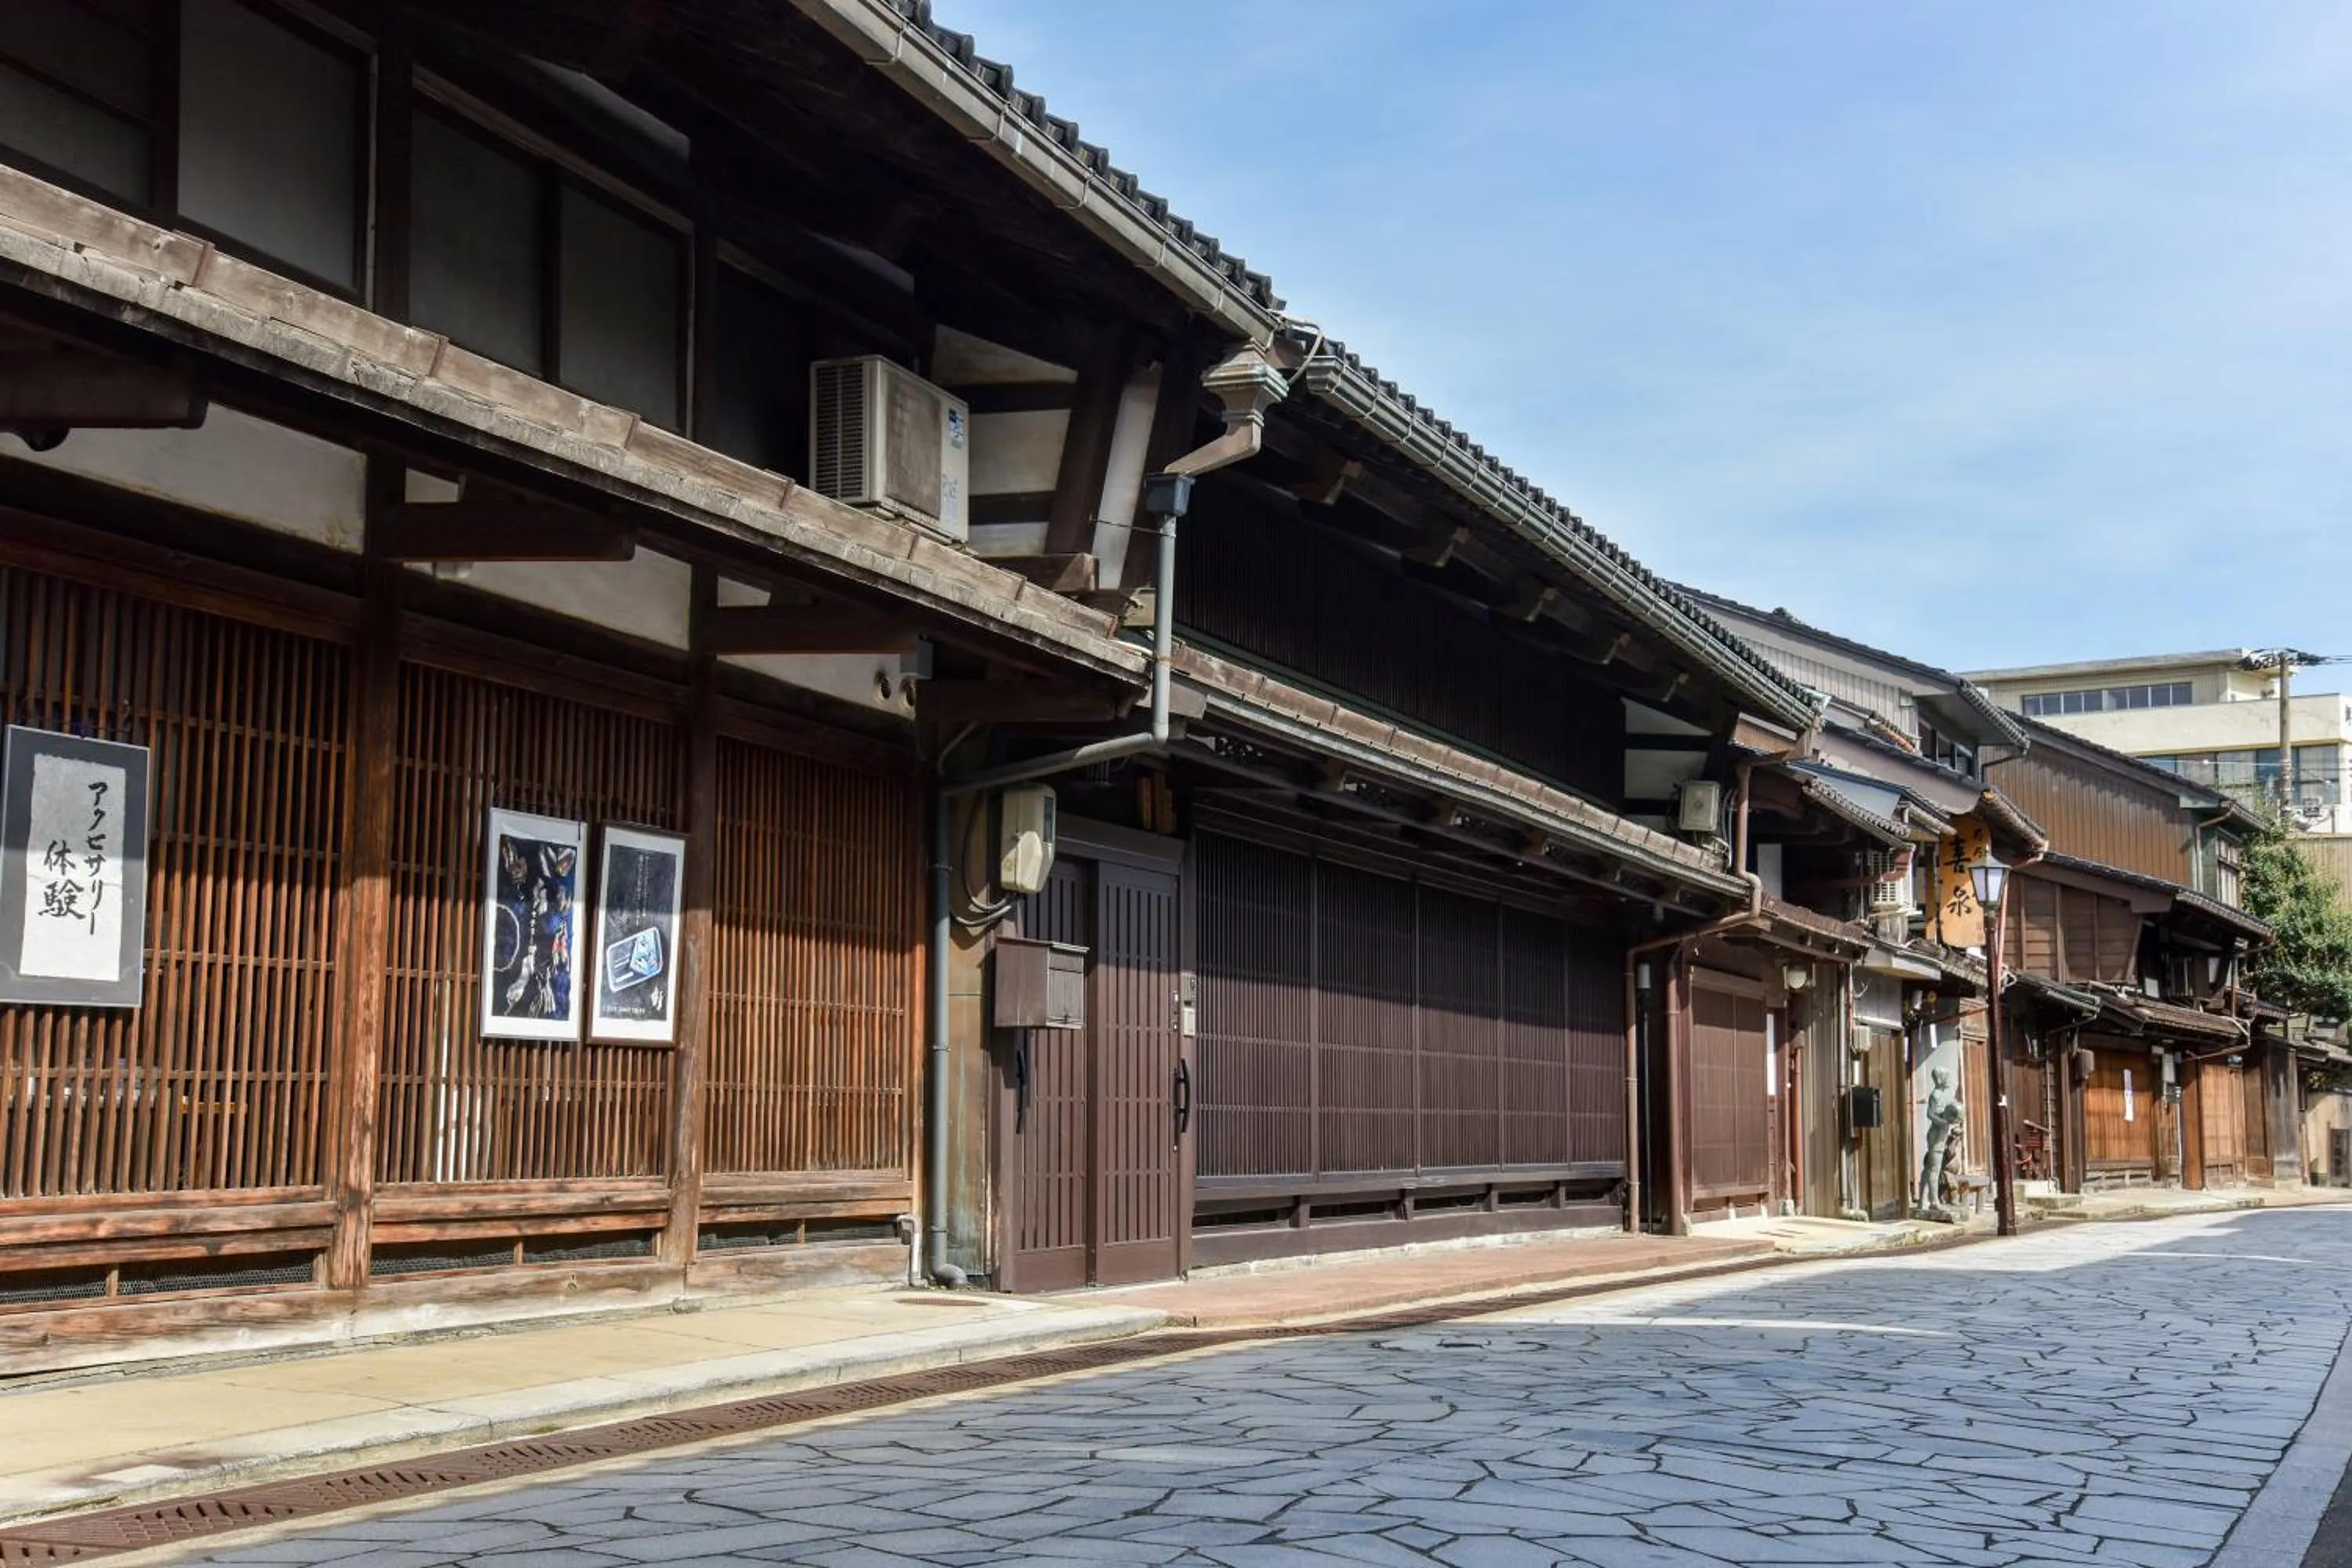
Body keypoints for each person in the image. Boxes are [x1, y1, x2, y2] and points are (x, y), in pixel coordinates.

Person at [1918, 1066, 1964, 1214]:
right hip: (1936, 1136)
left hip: (1943, 1135)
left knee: (1928, 1169)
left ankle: (1922, 1200)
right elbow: (1930, 1115)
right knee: (1935, 1169)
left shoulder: (1945, 1095)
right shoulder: (1936, 1095)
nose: (1949, 1080)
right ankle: (1934, 1201)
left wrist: (1954, 1124)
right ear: (1940, 1079)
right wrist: (1945, 1123)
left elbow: (1949, 1113)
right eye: (1946, 1077)